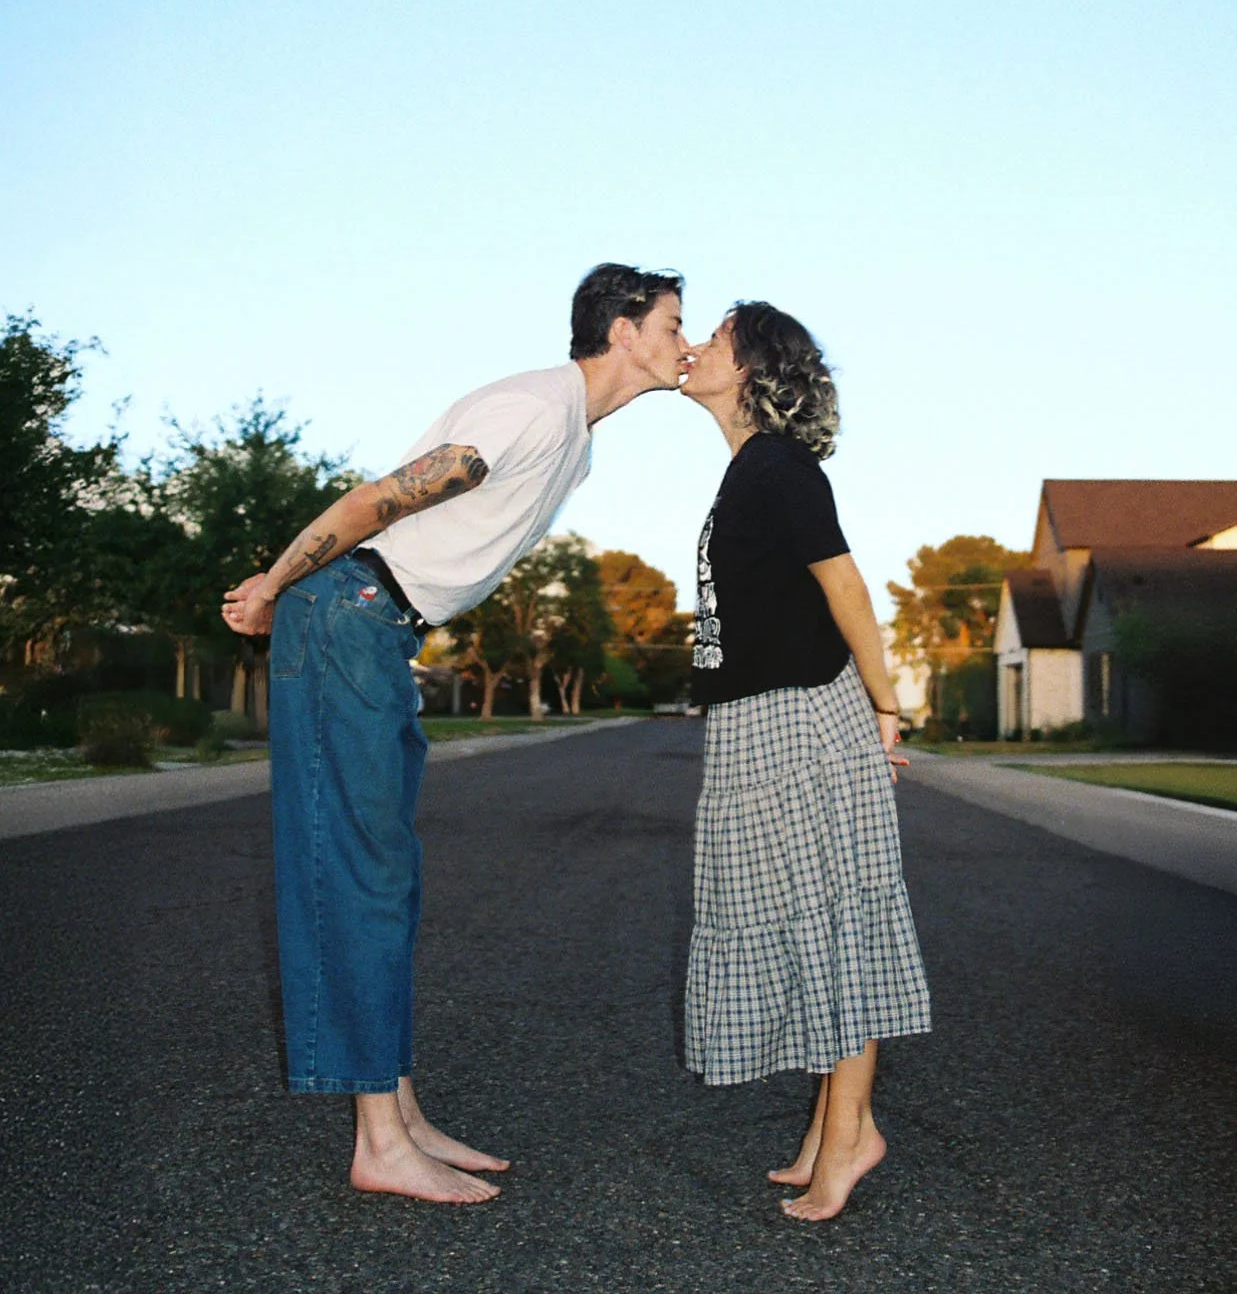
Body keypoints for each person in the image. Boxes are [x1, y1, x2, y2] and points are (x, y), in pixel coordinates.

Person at [221, 264, 688, 1205]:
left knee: (386, 872)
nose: (688, 339)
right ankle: (378, 1144)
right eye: (674, 322)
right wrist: (274, 584)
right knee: (358, 871)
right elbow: (377, 502)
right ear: (624, 331)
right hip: (347, 612)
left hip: (379, 631)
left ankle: (398, 1110)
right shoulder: (533, 407)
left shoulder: (575, 439)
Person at [679, 300, 930, 1221]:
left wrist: (884, 705)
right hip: (756, 721)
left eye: (714, 336)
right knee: (793, 921)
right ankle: (831, 1132)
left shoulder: (779, 467)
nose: (695, 345)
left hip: (800, 720)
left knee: (833, 928)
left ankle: (849, 1139)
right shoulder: (749, 471)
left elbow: (845, 585)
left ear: (750, 369)